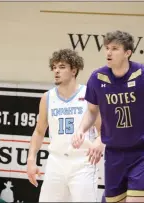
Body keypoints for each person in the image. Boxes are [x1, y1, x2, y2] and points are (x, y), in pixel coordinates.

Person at [72, 30, 144, 203]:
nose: (109, 52)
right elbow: (91, 111)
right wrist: (81, 129)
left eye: (114, 48)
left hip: (143, 152)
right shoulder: (97, 77)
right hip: (114, 154)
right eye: (107, 48)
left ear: (127, 53)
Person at [27, 48, 104, 202]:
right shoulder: (47, 97)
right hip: (56, 162)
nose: (56, 71)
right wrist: (31, 159)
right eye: (54, 67)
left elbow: (104, 130)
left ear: (74, 70)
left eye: (62, 67)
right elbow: (39, 131)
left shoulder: (89, 94)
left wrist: (99, 142)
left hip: (83, 162)